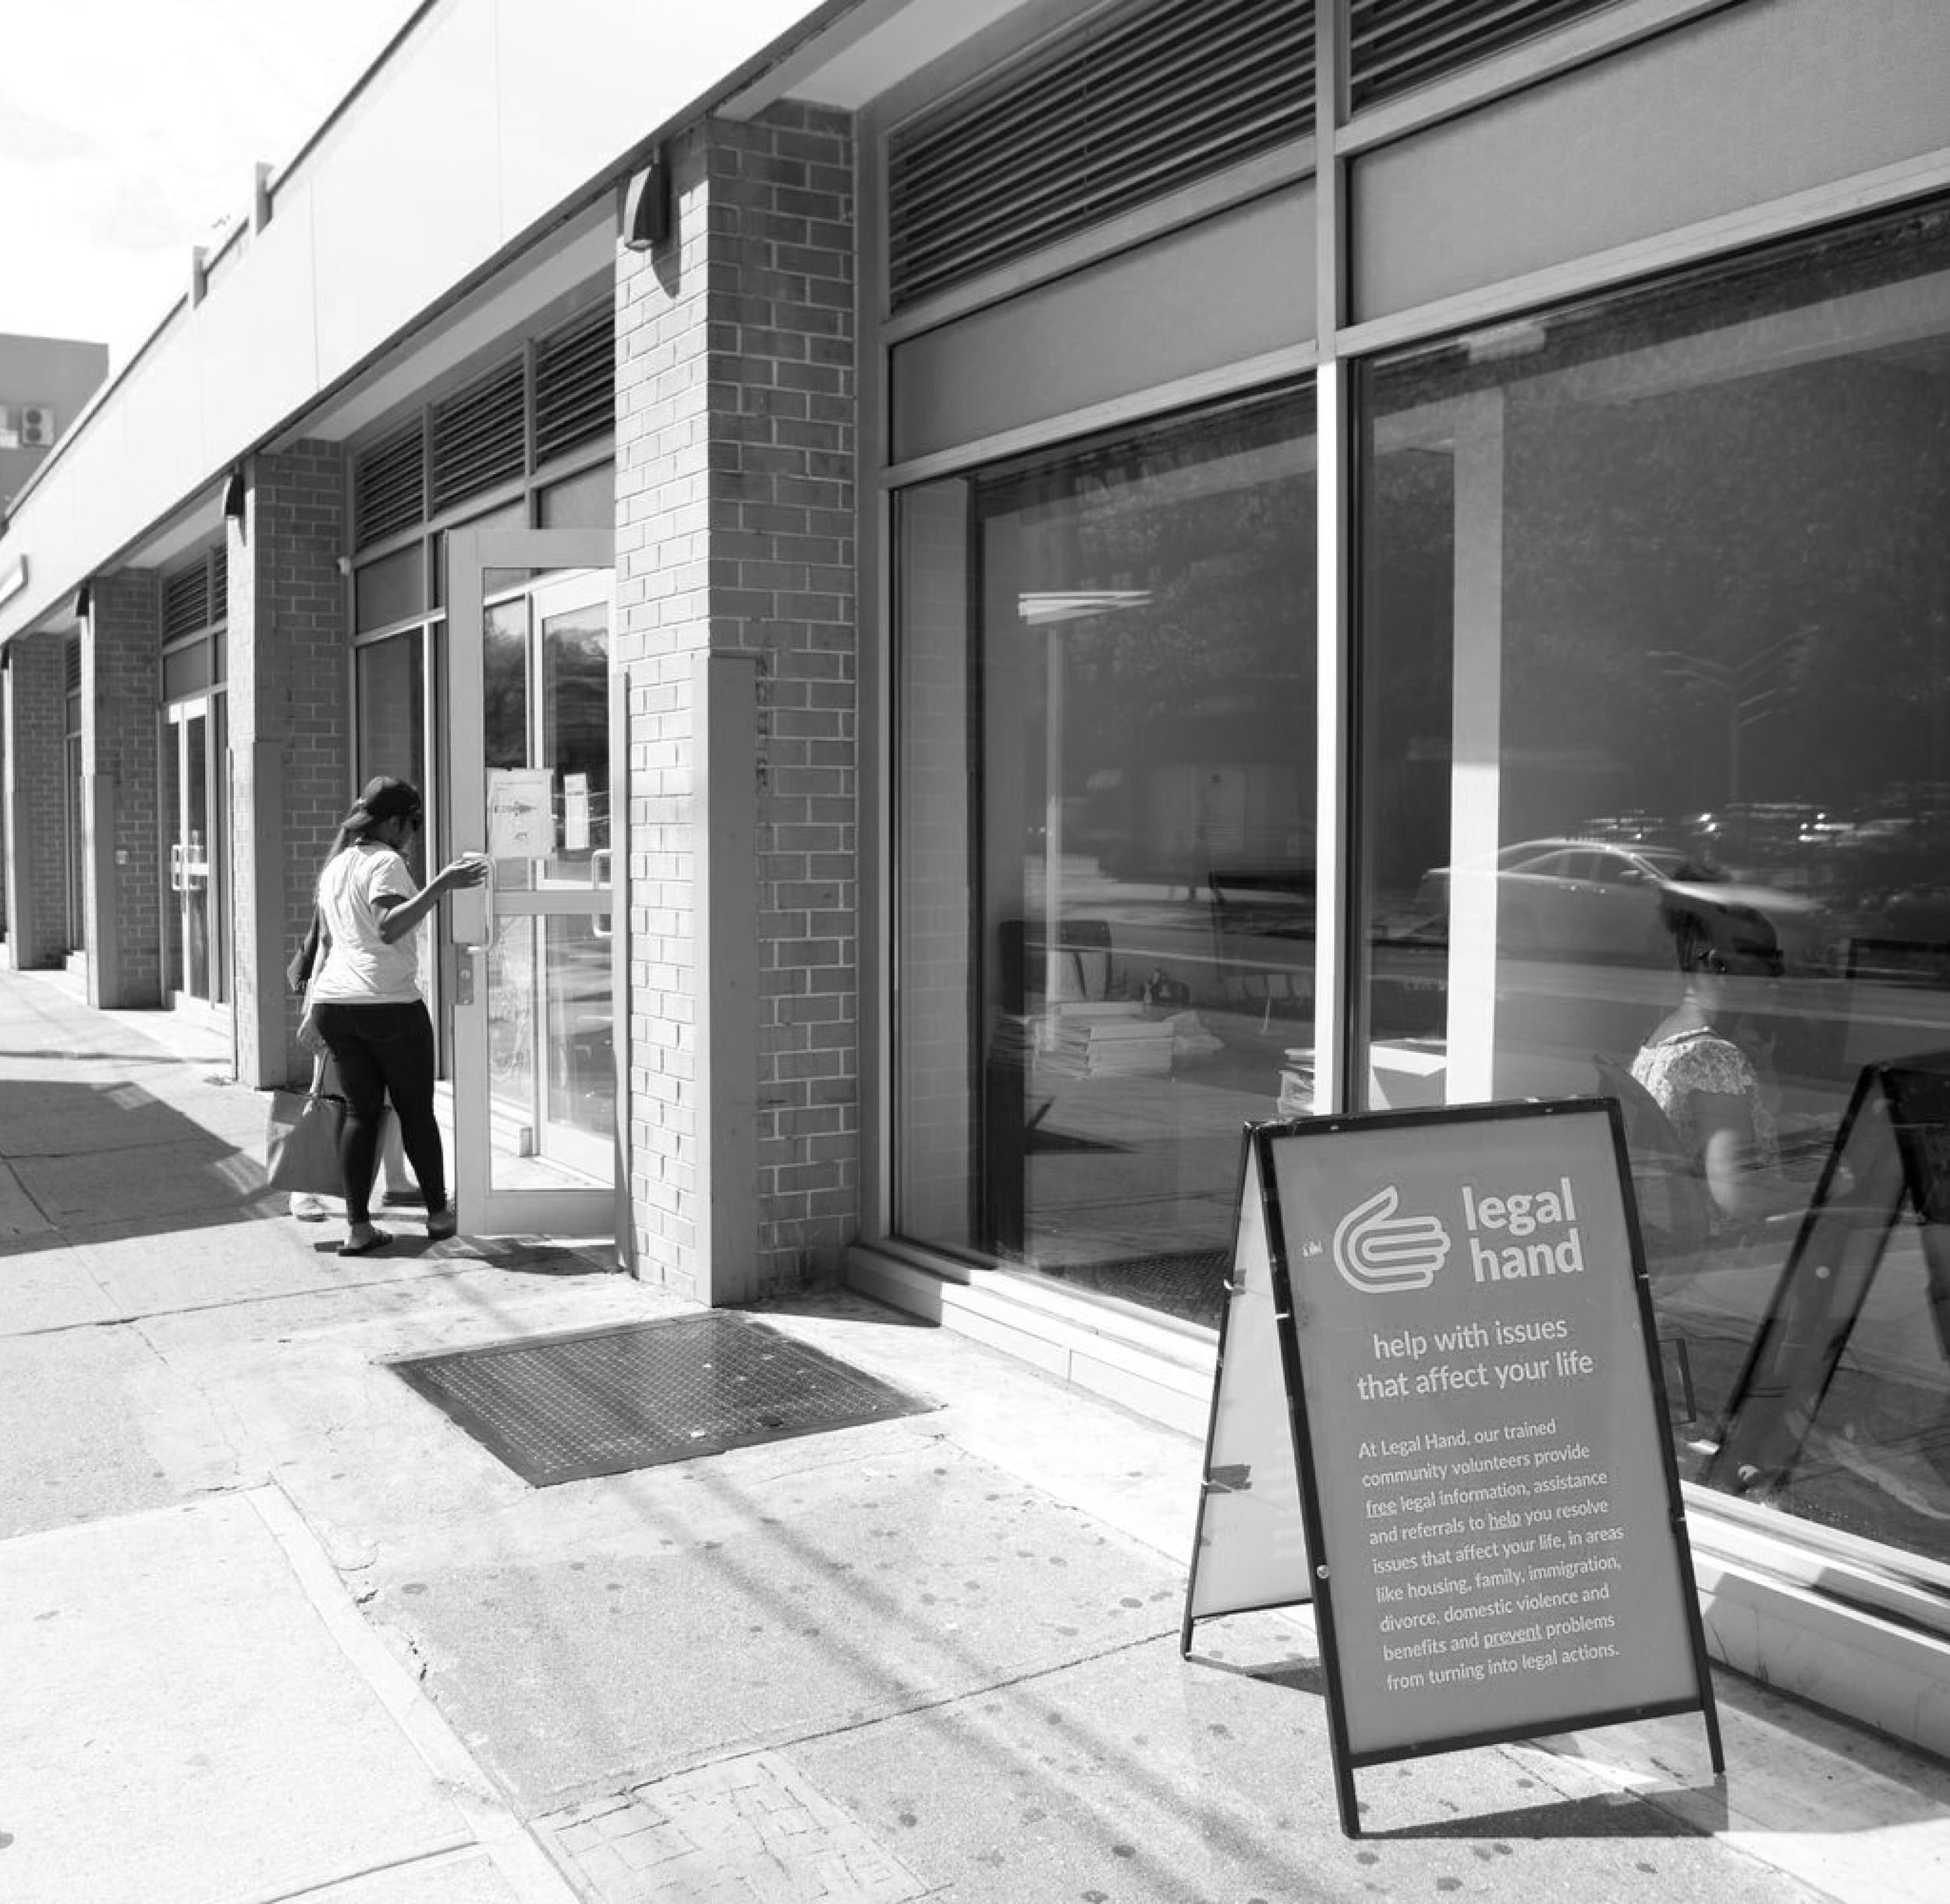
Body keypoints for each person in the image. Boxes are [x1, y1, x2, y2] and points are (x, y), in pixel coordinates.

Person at [300, 776, 488, 1256]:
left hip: (336, 1004)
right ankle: (439, 1216)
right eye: (413, 825)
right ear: (395, 823)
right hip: (387, 1004)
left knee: (361, 1113)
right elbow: (388, 927)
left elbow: (330, 941)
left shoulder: (337, 865)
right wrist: (441, 885)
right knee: (415, 1111)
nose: (413, 835)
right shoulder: (386, 862)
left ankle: (358, 1228)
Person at [1629, 909, 1800, 1227]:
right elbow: (1738, 1195)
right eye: (1766, 958)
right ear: (1718, 963)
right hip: (1728, 1244)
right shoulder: (1715, 1059)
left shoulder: (1666, 1035)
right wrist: (1823, 1190)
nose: (1778, 971)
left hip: (1674, 1230)